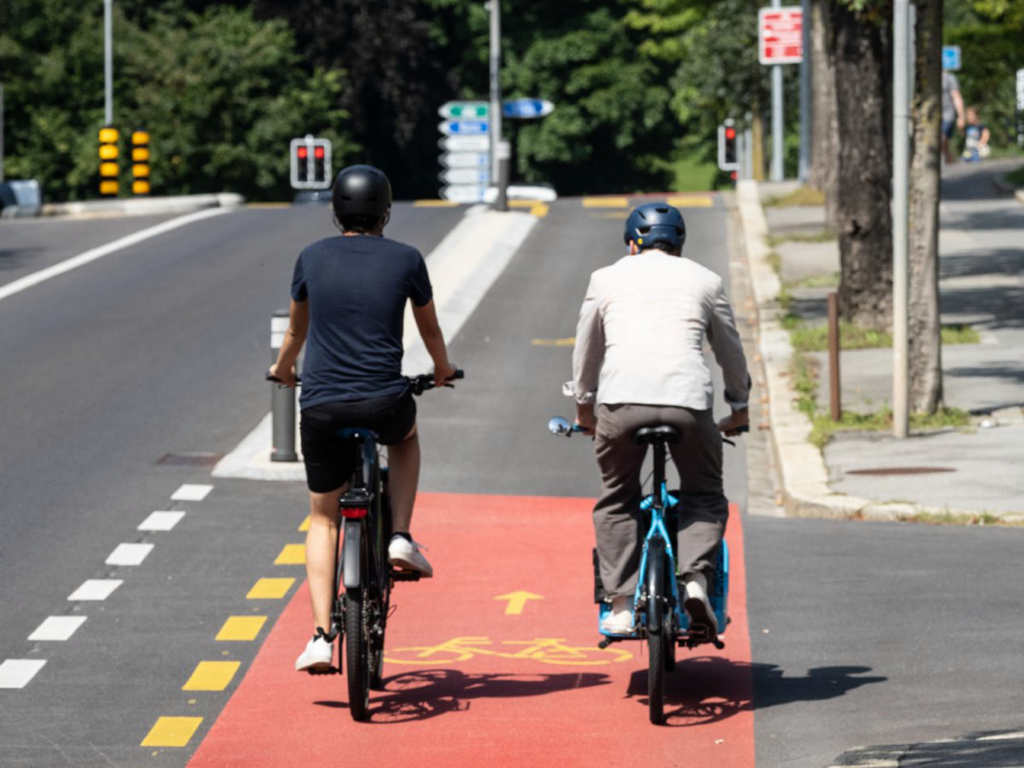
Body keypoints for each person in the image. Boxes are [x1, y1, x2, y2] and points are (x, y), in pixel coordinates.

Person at [269, 164, 458, 671]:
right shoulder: (406, 259)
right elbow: (431, 329)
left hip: (322, 405)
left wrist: (282, 370)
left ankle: (318, 637)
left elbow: (295, 334)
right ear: (386, 213)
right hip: (384, 401)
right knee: (406, 435)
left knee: (323, 517)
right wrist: (442, 370)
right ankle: (400, 535)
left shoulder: (311, 257)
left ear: (335, 213)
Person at [571, 203, 750, 636]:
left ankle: (619, 603)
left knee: (617, 498)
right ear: (679, 242)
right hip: (687, 402)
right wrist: (738, 407)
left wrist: (584, 407)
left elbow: (587, 348)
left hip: (621, 403)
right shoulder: (705, 279)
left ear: (633, 243)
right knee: (704, 495)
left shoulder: (606, 277)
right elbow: (730, 350)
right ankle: (696, 582)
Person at [942, 69, 966, 165]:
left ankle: (948, 163)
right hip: (932, 115)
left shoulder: (949, 77)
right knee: (944, 144)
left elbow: (956, 96)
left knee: (942, 139)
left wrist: (961, 116)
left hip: (948, 113)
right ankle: (949, 161)